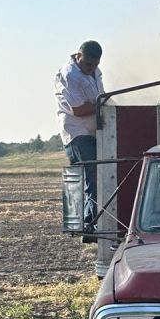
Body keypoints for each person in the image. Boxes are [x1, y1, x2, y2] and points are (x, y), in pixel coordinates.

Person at [54, 40, 105, 232]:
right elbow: (79, 109)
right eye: (88, 64)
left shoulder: (94, 71)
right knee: (92, 176)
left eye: (95, 65)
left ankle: (90, 222)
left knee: (100, 175)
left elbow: (101, 96)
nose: (91, 68)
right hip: (77, 131)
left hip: (95, 130)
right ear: (78, 56)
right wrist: (105, 104)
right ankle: (91, 224)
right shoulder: (70, 75)